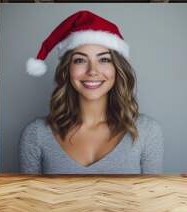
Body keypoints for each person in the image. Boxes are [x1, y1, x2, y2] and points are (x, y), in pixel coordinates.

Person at [20, 10, 164, 174]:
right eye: (80, 60)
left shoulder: (147, 131)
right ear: (67, 69)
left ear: (117, 69)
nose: (92, 71)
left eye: (104, 59)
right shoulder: (36, 134)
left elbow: (151, 197)